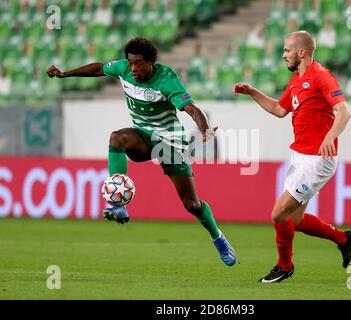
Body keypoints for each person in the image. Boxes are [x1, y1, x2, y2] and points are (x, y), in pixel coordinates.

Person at [46, 37, 236, 267]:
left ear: (151, 62)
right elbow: (99, 68)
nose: (133, 68)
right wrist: (65, 74)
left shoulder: (166, 79)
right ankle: (119, 204)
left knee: (191, 204)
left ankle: (218, 238)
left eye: (138, 64)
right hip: (142, 137)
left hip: (170, 143)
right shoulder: (124, 68)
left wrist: (204, 129)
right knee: (117, 138)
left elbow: (191, 108)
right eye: (131, 63)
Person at [233, 31, 351, 283]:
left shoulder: (321, 76)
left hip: (317, 160)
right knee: (295, 220)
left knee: (279, 214)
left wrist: (328, 138)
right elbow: (280, 109)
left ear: (301, 52)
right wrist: (253, 92)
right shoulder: (297, 80)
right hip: (301, 156)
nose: (283, 54)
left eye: (287, 50)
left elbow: (344, 112)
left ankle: (284, 266)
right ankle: (343, 239)